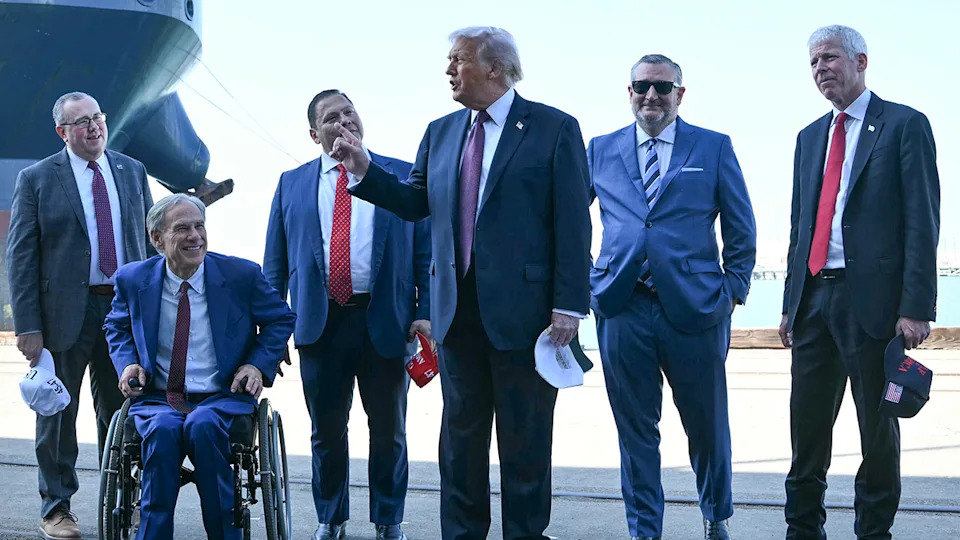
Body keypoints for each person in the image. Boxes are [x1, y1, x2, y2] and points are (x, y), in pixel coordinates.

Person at [334, 26, 591, 540]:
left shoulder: (554, 128)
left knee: (525, 443)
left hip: (527, 316)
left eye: (459, 60)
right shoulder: (441, 132)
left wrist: (569, 304)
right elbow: (415, 203)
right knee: (459, 445)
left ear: (494, 68)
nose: (449, 70)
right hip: (456, 313)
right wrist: (365, 171)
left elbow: (573, 222)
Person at [780, 25, 940, 540]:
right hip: (813, 302)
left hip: (873, 306)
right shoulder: (809, 137)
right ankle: (803, 528)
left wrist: (916, 306)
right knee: (806, 428)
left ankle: (873, 531)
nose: (820, 68)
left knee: (877, 430)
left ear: (861, 61)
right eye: (813, 62)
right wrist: (789, 304)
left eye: (829, 57)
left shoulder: (904, 125)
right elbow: (801, 227)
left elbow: (922, 221)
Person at [589, 54, 757, 540]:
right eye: (642, 85)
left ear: (679, 94)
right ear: (629, 92)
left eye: (663, 87)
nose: (652, 95)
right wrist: (586, 282)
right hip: (622, 305)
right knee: (635, 431)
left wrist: (732, 291)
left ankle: (716, 516)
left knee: (707, 425)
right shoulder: (599, 149)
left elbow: (741, 226)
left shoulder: (713, 146)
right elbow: (569, 220)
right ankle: (644, 530)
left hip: (696, 308)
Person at [263, 90, 430, 540]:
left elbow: (426, 252)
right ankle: (330, 517)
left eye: (349, 112)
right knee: (327, 430)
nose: (344, 121)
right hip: (321, 324)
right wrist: (272, 332)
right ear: (314, 133)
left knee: (390, 430)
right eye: (332, 117)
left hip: (386, 321)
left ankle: (388, 519)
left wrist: (426, 312)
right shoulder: (292, 183)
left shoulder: (400, 175)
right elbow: (275, 265)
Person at [5, 91, 155, 539]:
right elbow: (21, 256)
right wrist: (28, 326)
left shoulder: (131, 170)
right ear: (62, 132)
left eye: (97, 117)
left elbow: (152, 244)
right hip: (61, 316)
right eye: (82, 122)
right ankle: (56, 509)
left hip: (123, 310)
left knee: (124, 410)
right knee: (56, 414)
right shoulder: (37, 178)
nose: (94, 127)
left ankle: (124, 502)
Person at [103, 194, 296, 540]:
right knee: (161, 431)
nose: (195, 236)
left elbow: (281, 320)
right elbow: (116, 326)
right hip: (159, 397)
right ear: (157, 239)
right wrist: (128, 363)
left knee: (203, 426)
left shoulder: (240, 275)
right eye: (182, 228)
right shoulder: (133, 279)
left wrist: (256, 365)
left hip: (222, 396)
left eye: (199, 226)